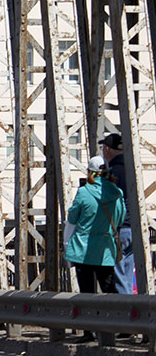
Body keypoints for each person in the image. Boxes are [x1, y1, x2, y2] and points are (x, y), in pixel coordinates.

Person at [65, 155, 126, 343]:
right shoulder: (117, 193)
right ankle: (114, 326)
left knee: (86, 292)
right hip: (106, 248)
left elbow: (73, 218)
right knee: (108, 288)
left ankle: (88, 332)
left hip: (83, 248)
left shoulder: (84, 193)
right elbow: (121, 218)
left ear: (90, 173)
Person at [98, 134, 136, 298]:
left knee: (118, 274)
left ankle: (126, 315)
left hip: (118, 229)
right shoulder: (131, 169)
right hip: (133, 228)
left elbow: (104, 201)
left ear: (107, 149)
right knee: (128, 272)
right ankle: (135, 310)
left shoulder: (112, 173)